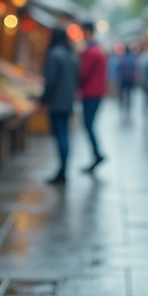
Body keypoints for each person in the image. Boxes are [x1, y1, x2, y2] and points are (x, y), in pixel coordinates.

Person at [40, 27, 79, 184]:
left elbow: (50, 81)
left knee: (60, 135)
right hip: (68, 101)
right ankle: (63, 169)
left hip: (56, 102)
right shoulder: (72, 55)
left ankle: (62, 171)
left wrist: (44, 100)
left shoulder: (54, 54)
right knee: (65, 136)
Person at [77, 22, 106, 172]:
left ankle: (97, 154)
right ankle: (96, 154)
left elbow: (83, 73)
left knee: (88, 125)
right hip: (97, 92)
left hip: (90, 93)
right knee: (89, 125)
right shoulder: (98, 50)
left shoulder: (91, 52)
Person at [116, 44, 137, 111]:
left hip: (123, 79)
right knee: (128, 93)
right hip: (129, 79)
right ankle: (128, 106)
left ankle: (121, 104)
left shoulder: (122, 57)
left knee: (122, 93)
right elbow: (134, 68)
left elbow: (118, 68)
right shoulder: (132, 57)